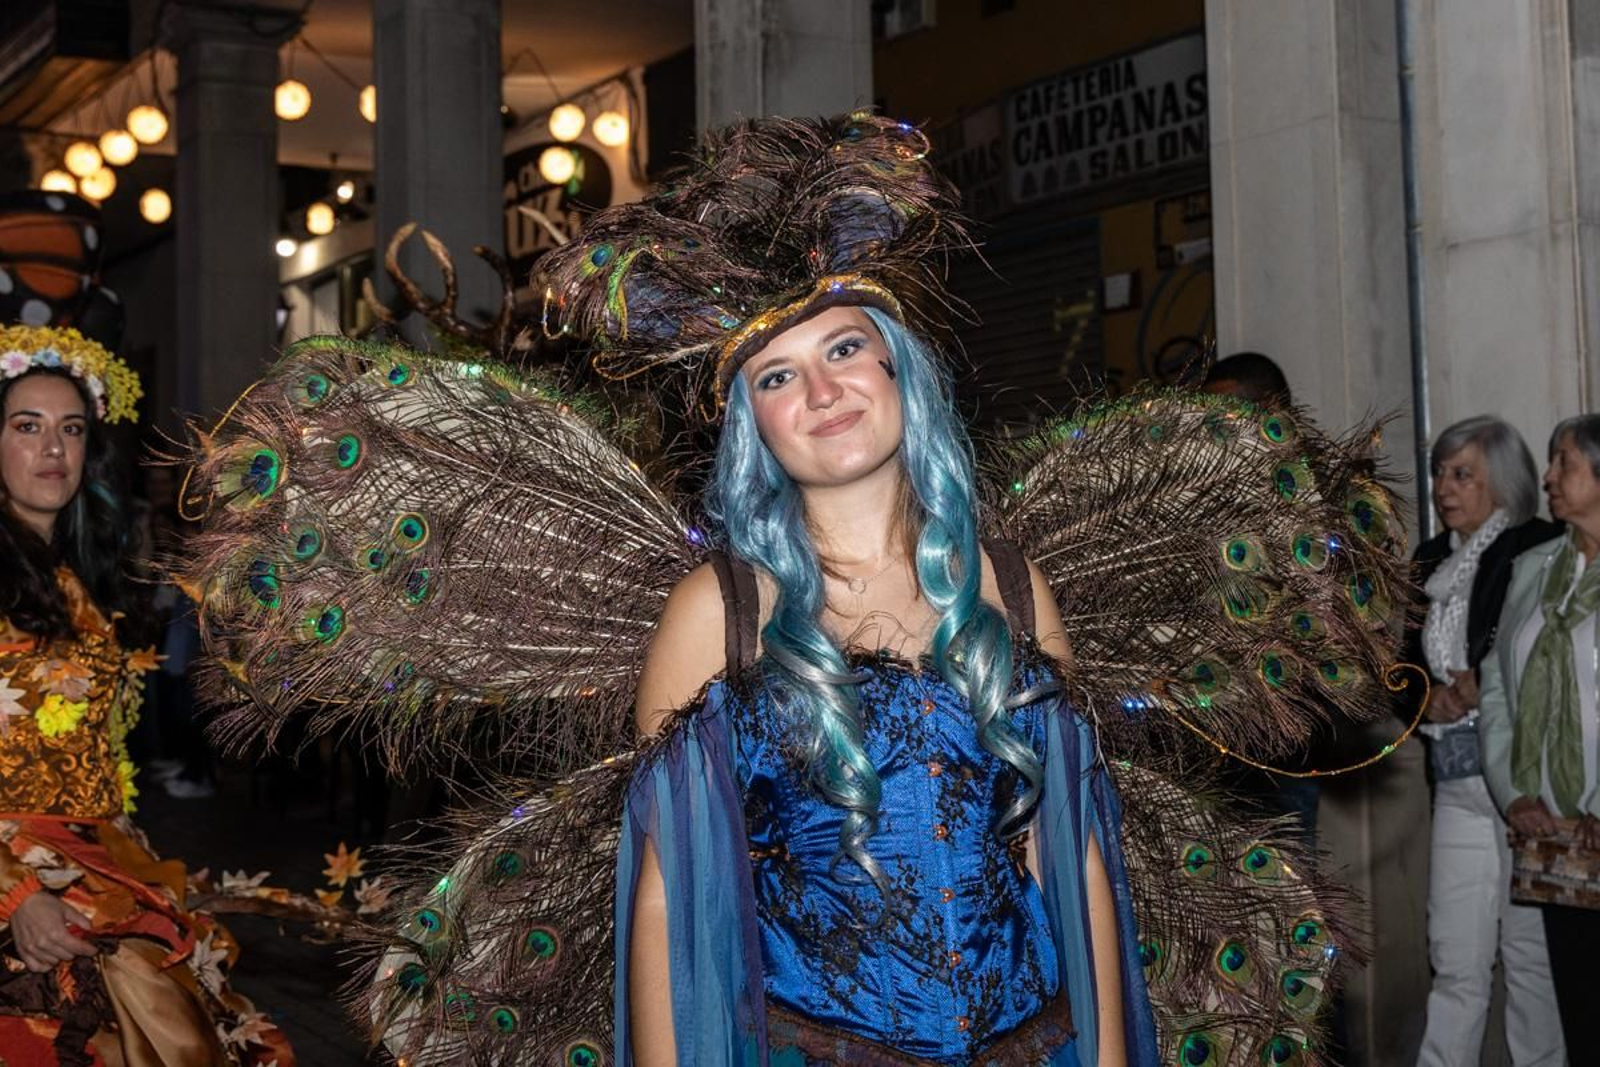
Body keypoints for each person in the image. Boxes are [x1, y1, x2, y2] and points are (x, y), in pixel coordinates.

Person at [0, 325, 291, 1065]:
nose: (52, 449)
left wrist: (131, 849)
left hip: (92, 855)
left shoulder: (71, 576)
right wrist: (16, 895)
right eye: (26, 427)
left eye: (69, 429)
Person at [1406, 416, 1563, 1067]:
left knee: (1531, 961)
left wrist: (1487, 684)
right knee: (1455, 954)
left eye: (1461, 473)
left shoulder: (1539, 547)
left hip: (1520, 775)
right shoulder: (1428, 559)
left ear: (1501, 481)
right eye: (1440, 471)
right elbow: (1398, 667)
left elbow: (1548, 655)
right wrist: (1421, 699)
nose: (1444, 485)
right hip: (1455, 778)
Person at [1479, 413, 1600, 1056]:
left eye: (1565, 463)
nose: (1548, 476)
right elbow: (1496, 688)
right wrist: (1513, 790)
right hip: (1555, 835)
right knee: (1579, 1008)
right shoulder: (1532, 568)